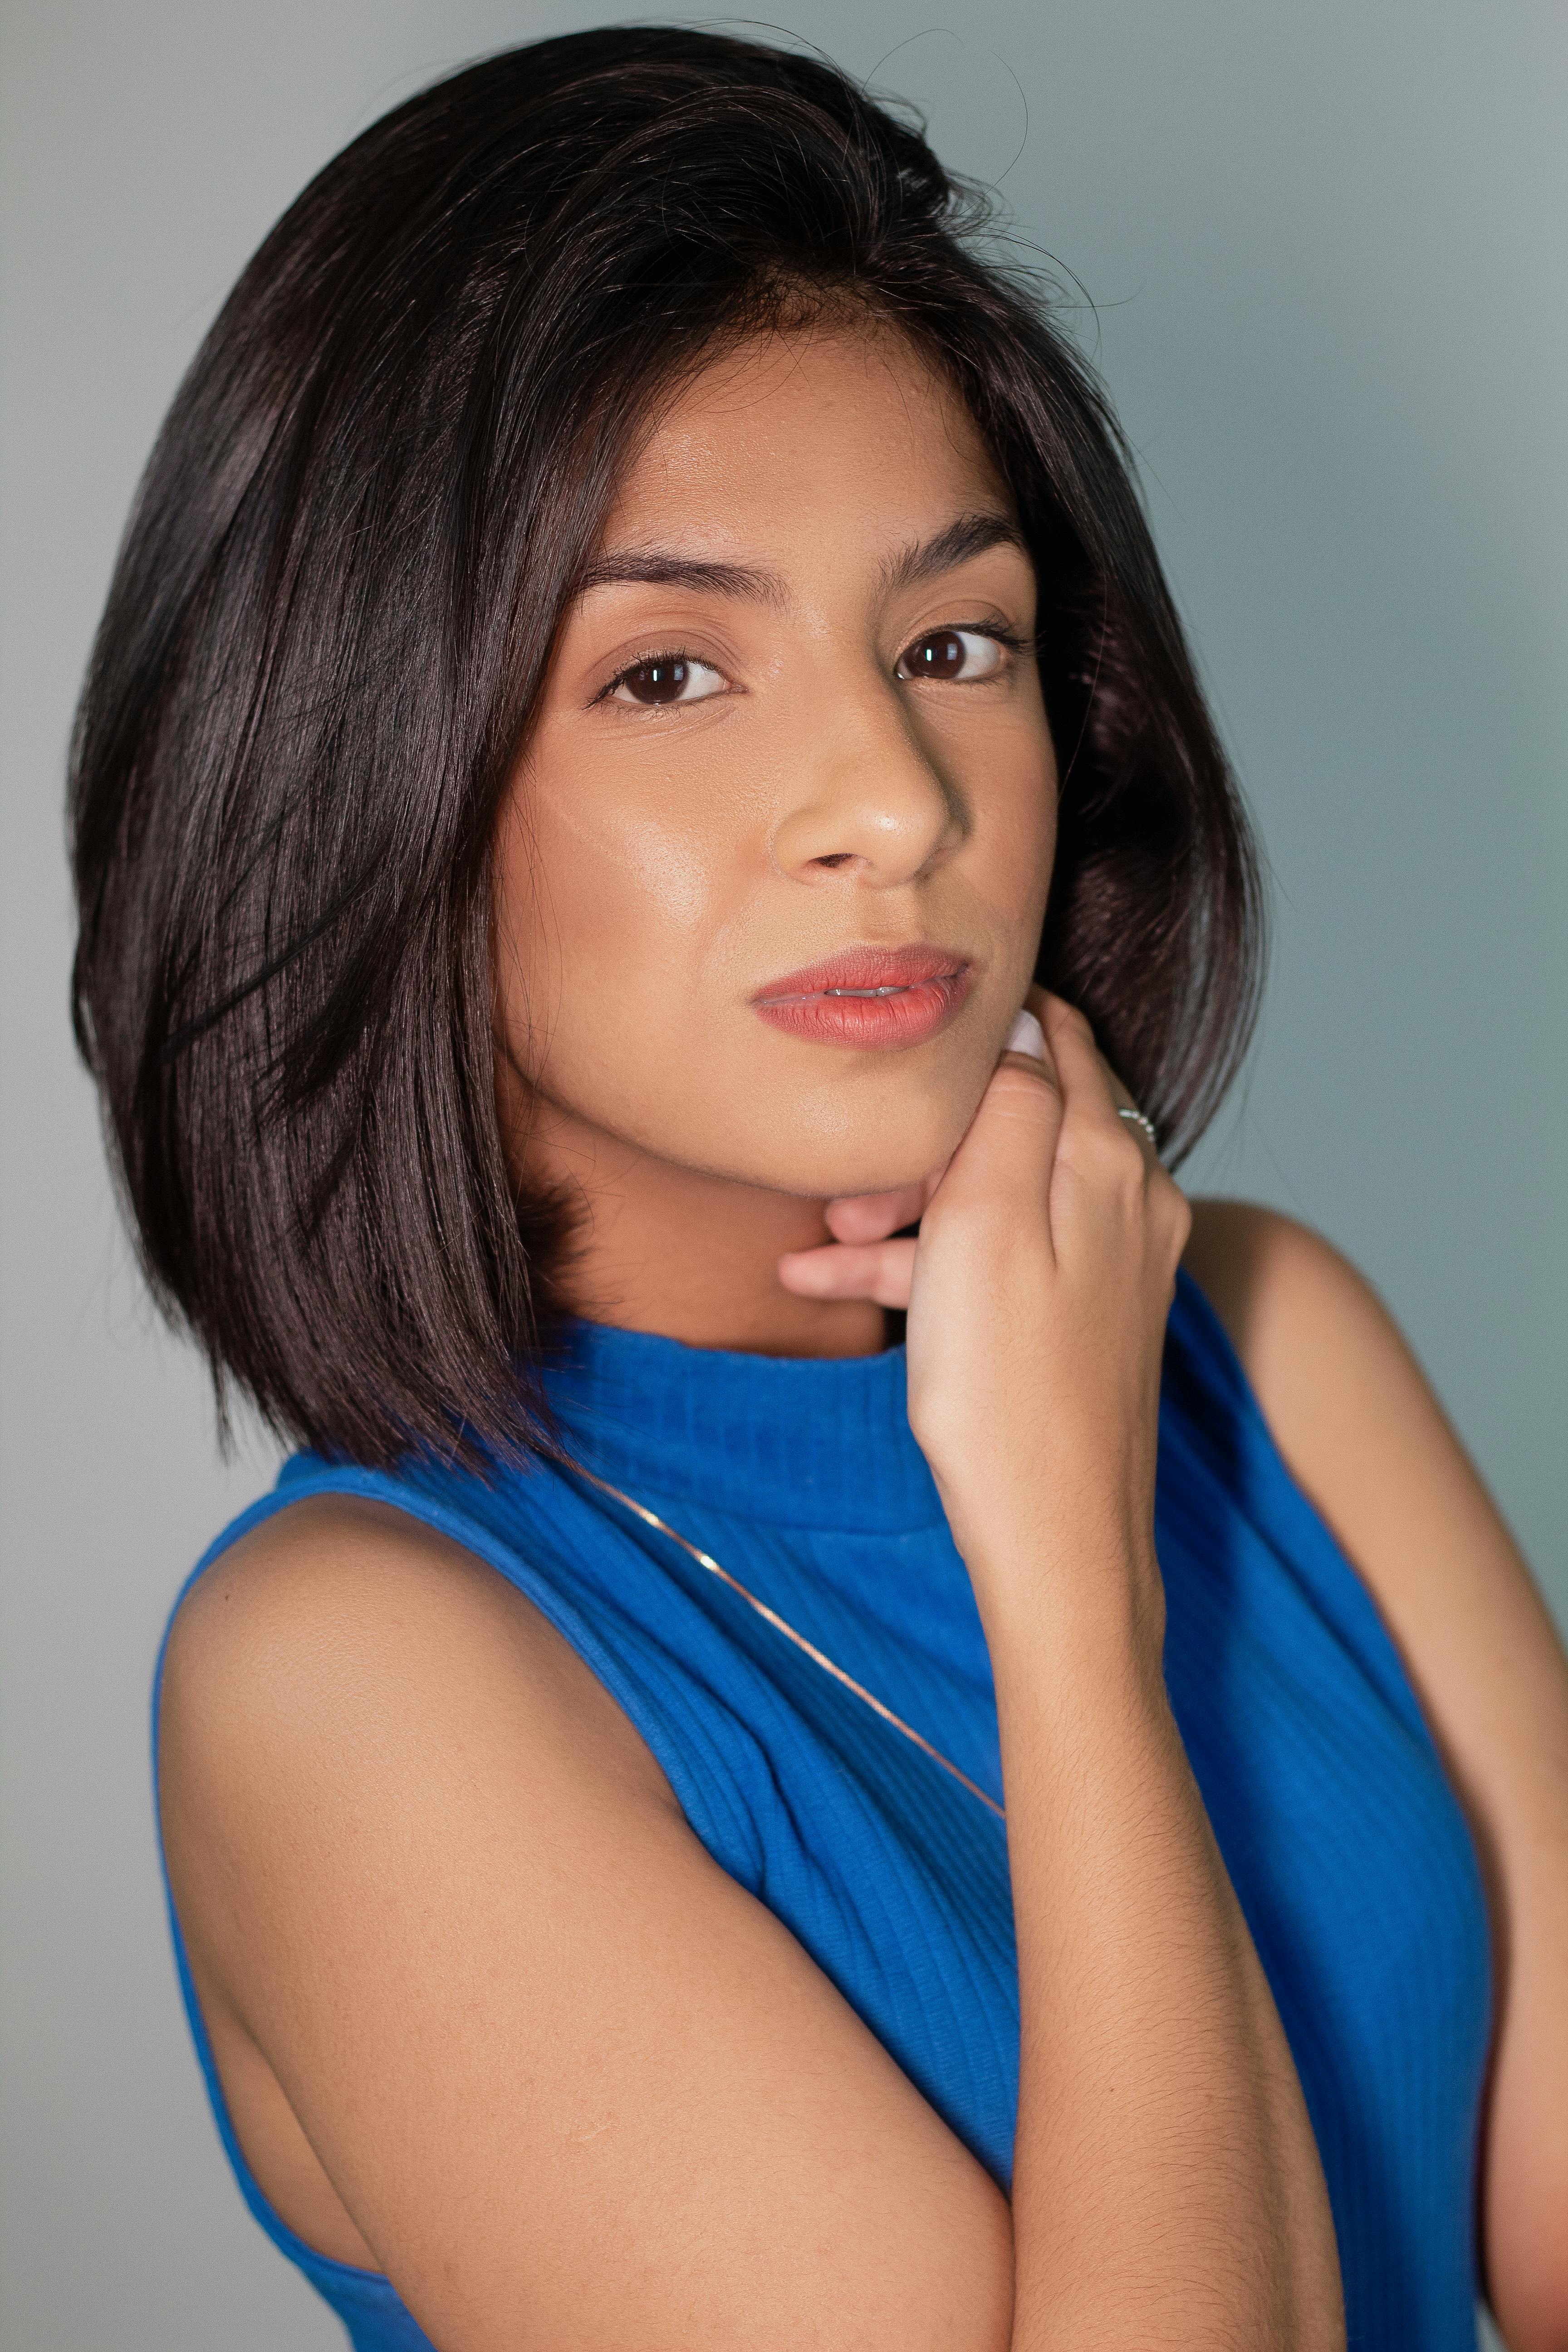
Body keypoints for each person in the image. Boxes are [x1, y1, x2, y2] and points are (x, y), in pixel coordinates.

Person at [68, 27, 1567, 2352]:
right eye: (670, 673)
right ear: (372, 785)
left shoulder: (1268, 1339)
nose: (893, 793)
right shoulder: (357, 1679)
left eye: (952, 643)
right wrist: (1065, 1580)